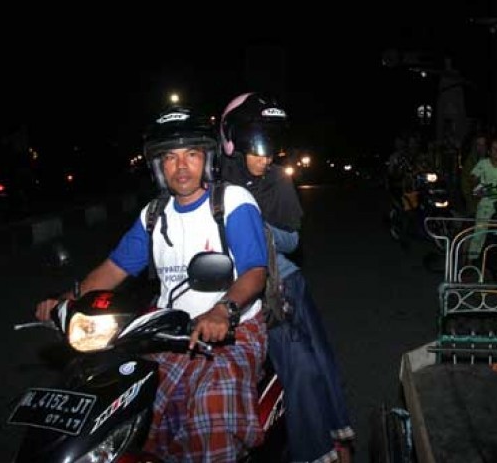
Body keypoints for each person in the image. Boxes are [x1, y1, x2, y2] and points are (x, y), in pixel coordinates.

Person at [35, 105, 269, 461]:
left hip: (233, 331)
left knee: (212, 412)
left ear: (206, 158)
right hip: (165, 329)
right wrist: (64, 300)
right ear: (158, 167)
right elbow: (112, 270)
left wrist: (223, 310)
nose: (181, 166)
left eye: (191, 154)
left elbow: (255, 271)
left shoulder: (233, 201)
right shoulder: (154, 215)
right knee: (128, 409)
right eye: (169, 157)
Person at [220, 92, 355, 463]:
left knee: (312, 362)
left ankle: (328, 439)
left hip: (281, 280)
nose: (266, 157)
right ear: (232, 142)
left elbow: (291, 240)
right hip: (230, 284)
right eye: (256, 148)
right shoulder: (216, 178)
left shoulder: (277, 180)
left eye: (270, 148)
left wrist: (255, 226)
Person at [467, 136, 497, 261]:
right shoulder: (483, 163)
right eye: (493, 149)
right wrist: (477, 186)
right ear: (489, 151)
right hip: (486, 204)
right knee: (479, 233)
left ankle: (494, 262)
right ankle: (471, 261)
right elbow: (472, 179)